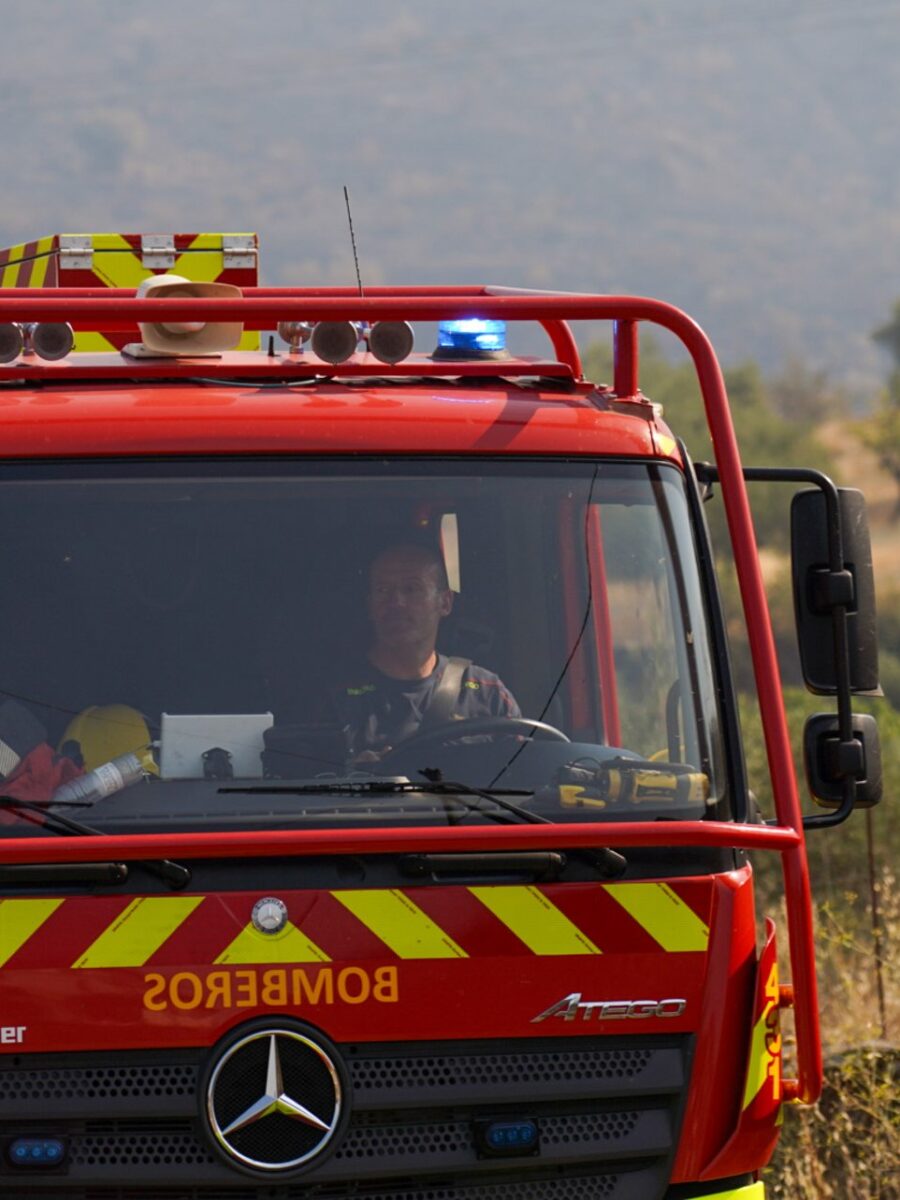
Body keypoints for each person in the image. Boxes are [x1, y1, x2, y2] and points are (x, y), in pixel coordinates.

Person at [330, 541, 520, 762]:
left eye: (412, 589)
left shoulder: (486, 692)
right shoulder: (336, 695)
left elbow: (527, 775)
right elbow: (304, 779)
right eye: (383, 590)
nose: (396, 602)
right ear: (370, 604)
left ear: (445, 603)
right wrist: (352, 779)